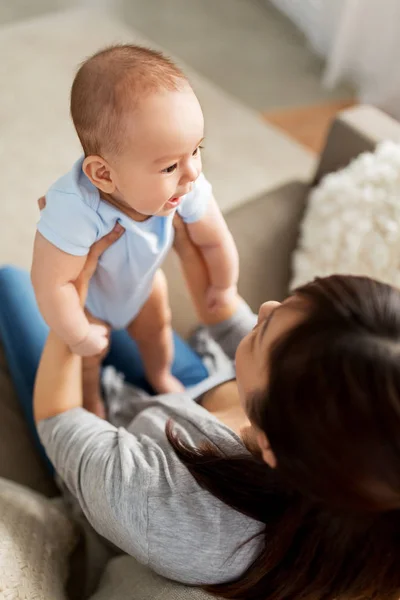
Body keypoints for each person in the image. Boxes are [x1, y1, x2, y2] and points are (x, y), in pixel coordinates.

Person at [1, 217, 400, 600]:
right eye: (290, 302)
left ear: (273, 442)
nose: (264, 306)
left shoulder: (169, 511)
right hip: (189, 389)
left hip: (107, 444)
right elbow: (231, 319)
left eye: (264, 332)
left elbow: (58, 418)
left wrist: (71, 307)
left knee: (15, 285)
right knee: (122, 282)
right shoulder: (340, 424)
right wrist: (209, 273)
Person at [31, 44, 238, 416]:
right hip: (90, 302)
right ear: (104, 175)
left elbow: (214, 239)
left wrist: (224, 285)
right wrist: (78, 333)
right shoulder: (73, 209)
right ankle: (92, 400)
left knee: (159, 330)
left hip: (143, 287)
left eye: (196, 150)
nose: (192, 172)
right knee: (88, 358)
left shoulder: (184, 186)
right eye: (169, 166)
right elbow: (51, 284)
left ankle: (160, 376)